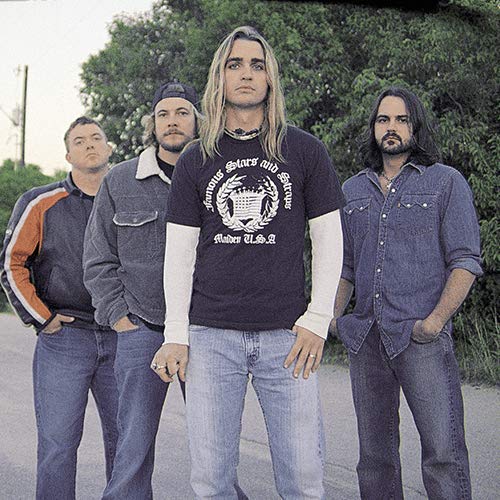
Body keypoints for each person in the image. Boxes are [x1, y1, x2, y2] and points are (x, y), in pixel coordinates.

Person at [151, 26, 344, 499]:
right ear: (220, 77)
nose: (246, 73)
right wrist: (176, 333)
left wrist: (318, 319)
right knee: (211, 481)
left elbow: (329, 239)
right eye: (234, 64)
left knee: (303, 480)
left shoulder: (305, 150)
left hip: (289, 337)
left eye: (257, 65)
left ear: (270, 78)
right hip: (210, 338)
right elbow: (179, 255)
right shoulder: (196, 159)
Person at [333, 87, 482, 499]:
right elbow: (344, 267)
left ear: (415, 127)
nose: (392, 127)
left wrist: (434, 323)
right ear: (373, 128)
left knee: (443, 454)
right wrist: (332, 319)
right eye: (383, 120)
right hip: (367, 338)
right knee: (374, 458)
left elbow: (465, 260)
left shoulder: (445, 182)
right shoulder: (352, 191)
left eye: (401, 120)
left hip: (422, 339)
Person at [83, 81, 200, 499]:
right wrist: (120, 318)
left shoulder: (214, 174)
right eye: (163, 114)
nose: (172, 121)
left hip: (202, 330)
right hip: (142, 329)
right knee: (131, 448)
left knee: (214, 446)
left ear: (197, 121)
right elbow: (97, 258)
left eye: (182, 113)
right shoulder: (120, 180)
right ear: (152, 123)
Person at [0, 117, 117, 500]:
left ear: (109, 148)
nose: (89, 145)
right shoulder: (41, 202)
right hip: (65, 339)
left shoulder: (129, 197)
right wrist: (43, 318)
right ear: (68, 156)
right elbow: (12, 263)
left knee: (128, 445)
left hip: (123, 337)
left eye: (96, 138)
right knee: (58, 447)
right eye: (79, 141)